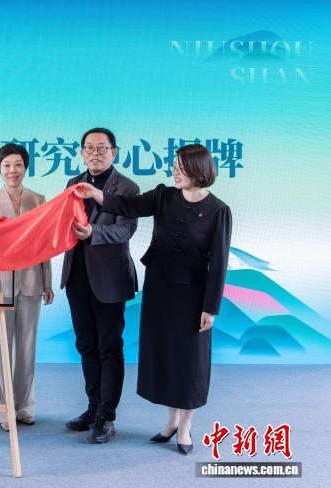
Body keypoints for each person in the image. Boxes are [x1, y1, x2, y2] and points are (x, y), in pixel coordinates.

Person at [73, 143, 232, 455]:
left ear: (198, 170)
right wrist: (97, 195)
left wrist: (210, 308)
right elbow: (128, 206)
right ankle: (171, 421)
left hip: (193, 296)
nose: (174, 172)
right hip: (160, 289)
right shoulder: (164, 196)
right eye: (174, 166)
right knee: (166, 357)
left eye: (181, 168)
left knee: (189, 362)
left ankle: (185, 427)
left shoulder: (218, 210)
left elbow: (219, 263)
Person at [61, 127, 139, 444]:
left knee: (109, 347)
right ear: (82, 153)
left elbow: (125, 230)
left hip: (110, 279)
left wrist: (93, 233)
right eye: (89, 148)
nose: (95, 153)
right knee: (86, 346)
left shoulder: (128, 188)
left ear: (114, 152)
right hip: (76, 275)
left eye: (102, 148)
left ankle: (107, 416)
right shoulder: (73, 183)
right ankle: (93, 408)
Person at [0, 143, 54, 431]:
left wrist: (48, 281)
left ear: (25, 167)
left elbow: (45, 243)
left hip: (31, 282)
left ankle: (24, 407)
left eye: (18, 165)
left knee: (27, 347)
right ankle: (1, 410)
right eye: (7, 165)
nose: (12, 170)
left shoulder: (39, 200)